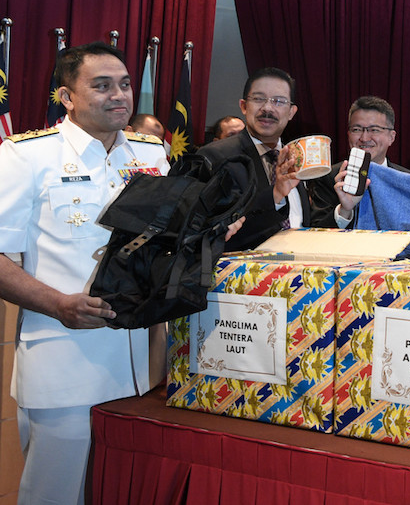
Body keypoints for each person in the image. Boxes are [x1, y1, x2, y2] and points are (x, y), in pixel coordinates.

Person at [0, 42, 173, 504]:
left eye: (124, 84)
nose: (119, 95)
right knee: (55, 491)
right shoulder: (27, 157)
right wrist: (57, 304)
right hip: (65, 354)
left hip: (142, 361)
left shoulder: (151, 155)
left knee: (121, 485)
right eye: (101, 86)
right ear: (66, 97)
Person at [198, 67, 311, 251]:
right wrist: (275, 195)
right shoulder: (216, 157)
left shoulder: (295, 157)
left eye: (279, 101)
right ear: (244, 106)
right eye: (259, 99)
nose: (267, 108)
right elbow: (213, 233)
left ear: (291, 112)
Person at [310, 95, 410, 228]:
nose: (364, 138)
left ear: (391, 137)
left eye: (374, 130)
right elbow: (316, 235)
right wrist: (344, 210)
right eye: (357, 130)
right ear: (348, 135)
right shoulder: (329, 178)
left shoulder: (408, 181)